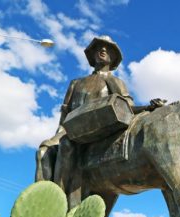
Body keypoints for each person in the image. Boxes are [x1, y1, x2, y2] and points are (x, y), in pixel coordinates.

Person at [36, 36, 164, 205]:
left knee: (68, 145)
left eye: (107, 49)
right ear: (93, 55)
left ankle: (60, 198)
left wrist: (148, 107)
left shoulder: (114, 81)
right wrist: (56, 136)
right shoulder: (76, 83)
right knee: (44, 150)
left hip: (97, 129)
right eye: (99, 48)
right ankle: (42, 198)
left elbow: (127, 107)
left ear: (113, 57)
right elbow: (65, 114)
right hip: (70, 129)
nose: (102, 50)